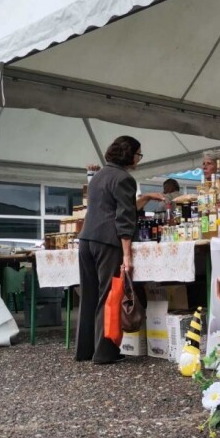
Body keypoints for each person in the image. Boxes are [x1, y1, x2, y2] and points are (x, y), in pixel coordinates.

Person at [76, 135, 141, 364]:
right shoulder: (124, 178)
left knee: (90, 296)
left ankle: (85, 351)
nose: (139, 159)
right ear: (130, 154)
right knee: (109, 296)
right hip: (107, 241)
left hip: (85, 239)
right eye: (138, 154)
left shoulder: (98, 176)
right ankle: (105, 353)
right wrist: (127, 255)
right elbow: (124, 218)